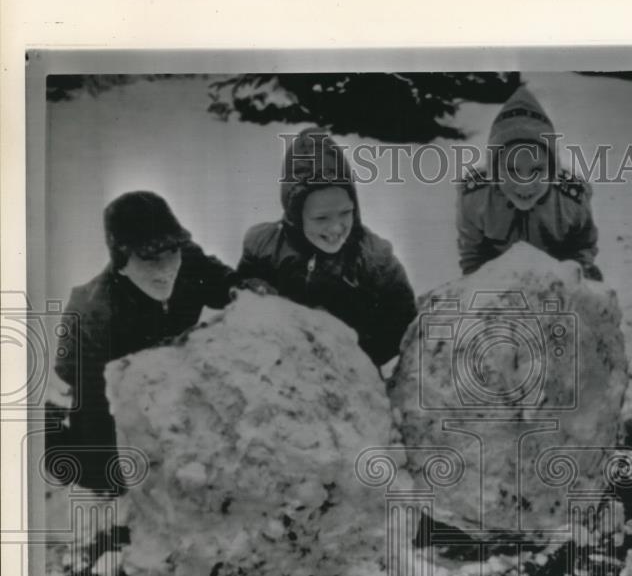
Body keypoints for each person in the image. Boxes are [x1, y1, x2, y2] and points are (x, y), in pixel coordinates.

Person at [48, 191, 239, 492]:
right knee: (100, 471)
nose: (166, 269)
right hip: (99, 382)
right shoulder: (93, 314)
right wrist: (112, 480)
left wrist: (240, 288)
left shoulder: (186, 258)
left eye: (171, 253)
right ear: (122, 262)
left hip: (161, 371)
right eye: (150, 258)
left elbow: (221, 281)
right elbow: (99, 408)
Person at [238, 128, 417, 370]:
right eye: (321, 218)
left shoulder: (375, 259)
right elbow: (241, 298)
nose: (336, 229)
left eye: (345, 213)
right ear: (296, 216)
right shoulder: (264, 247)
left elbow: (403, 325)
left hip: (352, 374)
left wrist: (352, 350)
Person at [457, 86, 602, 280]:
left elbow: (581, 248)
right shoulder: (475, 198)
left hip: (556, 283)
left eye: (537, 170)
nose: (525, 185)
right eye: (512, 170)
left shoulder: (572, 199)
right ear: (494, 169)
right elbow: (473, 259)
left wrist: (576, 276)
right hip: (499, 285)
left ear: (552, 170)